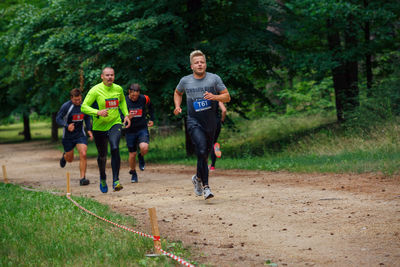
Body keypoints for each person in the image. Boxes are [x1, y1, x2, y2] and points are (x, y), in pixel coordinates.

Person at [174, 50, 231, 200]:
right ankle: (206, 187)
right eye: (196, 62)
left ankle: (197, 178)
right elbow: (178, 93)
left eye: (202, 62)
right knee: (200, 149)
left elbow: (227, 97)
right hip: (194, 121)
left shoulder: (214, 79)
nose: (200, 64)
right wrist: (177, 106)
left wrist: (215, 96)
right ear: (191, 66)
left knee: (204, 154)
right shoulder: (185, 81)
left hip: (211, 122)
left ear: (205, 64)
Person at [81, 67, 131, 193]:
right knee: (102, 156)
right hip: (99, 127)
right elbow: (83, 107)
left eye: (112, 75)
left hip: (115, 123)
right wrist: (97, 112)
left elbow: (122, 101)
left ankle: (116, 181)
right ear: (102, 77)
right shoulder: (95, 90)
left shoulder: (118, 89)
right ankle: (103, 177)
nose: (110, 77)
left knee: (115, 147)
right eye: (107, 75)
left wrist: (125, 114)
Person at [56, 88, 93, 186]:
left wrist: (89, 129)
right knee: (70, 159)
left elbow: (88, 117)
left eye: (79, 99)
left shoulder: (83, 105)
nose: (78, 102)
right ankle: (64, 157)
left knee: (83, 153)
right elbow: (58, 119)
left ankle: (82, 178)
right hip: (68, 136)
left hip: (80, 134)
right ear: (71, 98)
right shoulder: (66, 106)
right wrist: (67, 126)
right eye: (76, 100)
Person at [125, 83, 155, 183]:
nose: (135, 98)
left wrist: (151, 118)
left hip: (142, 128)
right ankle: (133, 172)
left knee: (144, 148)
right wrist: (126, 118)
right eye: (133, 95)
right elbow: (119, 115)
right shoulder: (124, 101)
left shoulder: (144, 98)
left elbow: (151, 107)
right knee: (132, 154)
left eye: (137, 96)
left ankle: (141, 156)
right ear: (129, 92)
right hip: (130, 130)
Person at [209, 101, 227, 171]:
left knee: (208, 143)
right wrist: (222, 120)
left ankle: (209, 165)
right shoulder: (218, 98)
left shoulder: (204, 100)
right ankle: (212, 166)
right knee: (214, 142)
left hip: (209, 122)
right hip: (217, 122)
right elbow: (224, 110)